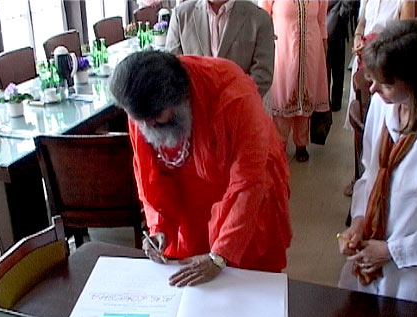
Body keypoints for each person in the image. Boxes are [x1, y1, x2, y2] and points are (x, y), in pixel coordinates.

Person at [109, 51, 292, 286]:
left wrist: (221, 255)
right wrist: (159, 228)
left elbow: (249, 181)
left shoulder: (234, 95)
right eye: (140, 120)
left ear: (178, 99)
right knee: (196, 285)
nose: (147, 127)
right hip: (188, 195)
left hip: (247, 196)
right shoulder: (142, 104)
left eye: (154, 119)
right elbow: (149, 174)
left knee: (244, 283)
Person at [337, 20, 417, 317]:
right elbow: (371, 172)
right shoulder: (382, 105)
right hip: (369, 261)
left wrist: (393, 251)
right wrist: (359, 221)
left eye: (386, 83)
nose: (373, 88)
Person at [342, 0, 414, 196]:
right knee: (364, 117)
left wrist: (376, 46)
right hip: (366, 61)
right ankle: (361, 175)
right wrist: (358, 38)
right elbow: (362, 23)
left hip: (387, 67)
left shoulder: (404, 2)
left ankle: (384, 176)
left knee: (383, 123)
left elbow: (405, 37)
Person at [261, 0, 329, 162]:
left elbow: (321, 19)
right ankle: (279, 143)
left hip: (311, 48)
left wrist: (324, 43)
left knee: (306, 94)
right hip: (282, 49)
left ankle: (301, 143)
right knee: (283, 96)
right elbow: (262, 17)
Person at [165, 0, 275, 98]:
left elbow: (262, 75)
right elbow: (170, 70)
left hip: (240, 112)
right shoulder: (181, 15)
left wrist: (228, 103)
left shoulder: (260, 19)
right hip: (194, 113)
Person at [326, 0, 354, 112]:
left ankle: (335, 101)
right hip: (323, 21)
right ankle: (327, 100)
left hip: (336, 22)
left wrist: (342, 14)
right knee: (327, 66)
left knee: (336, 66)